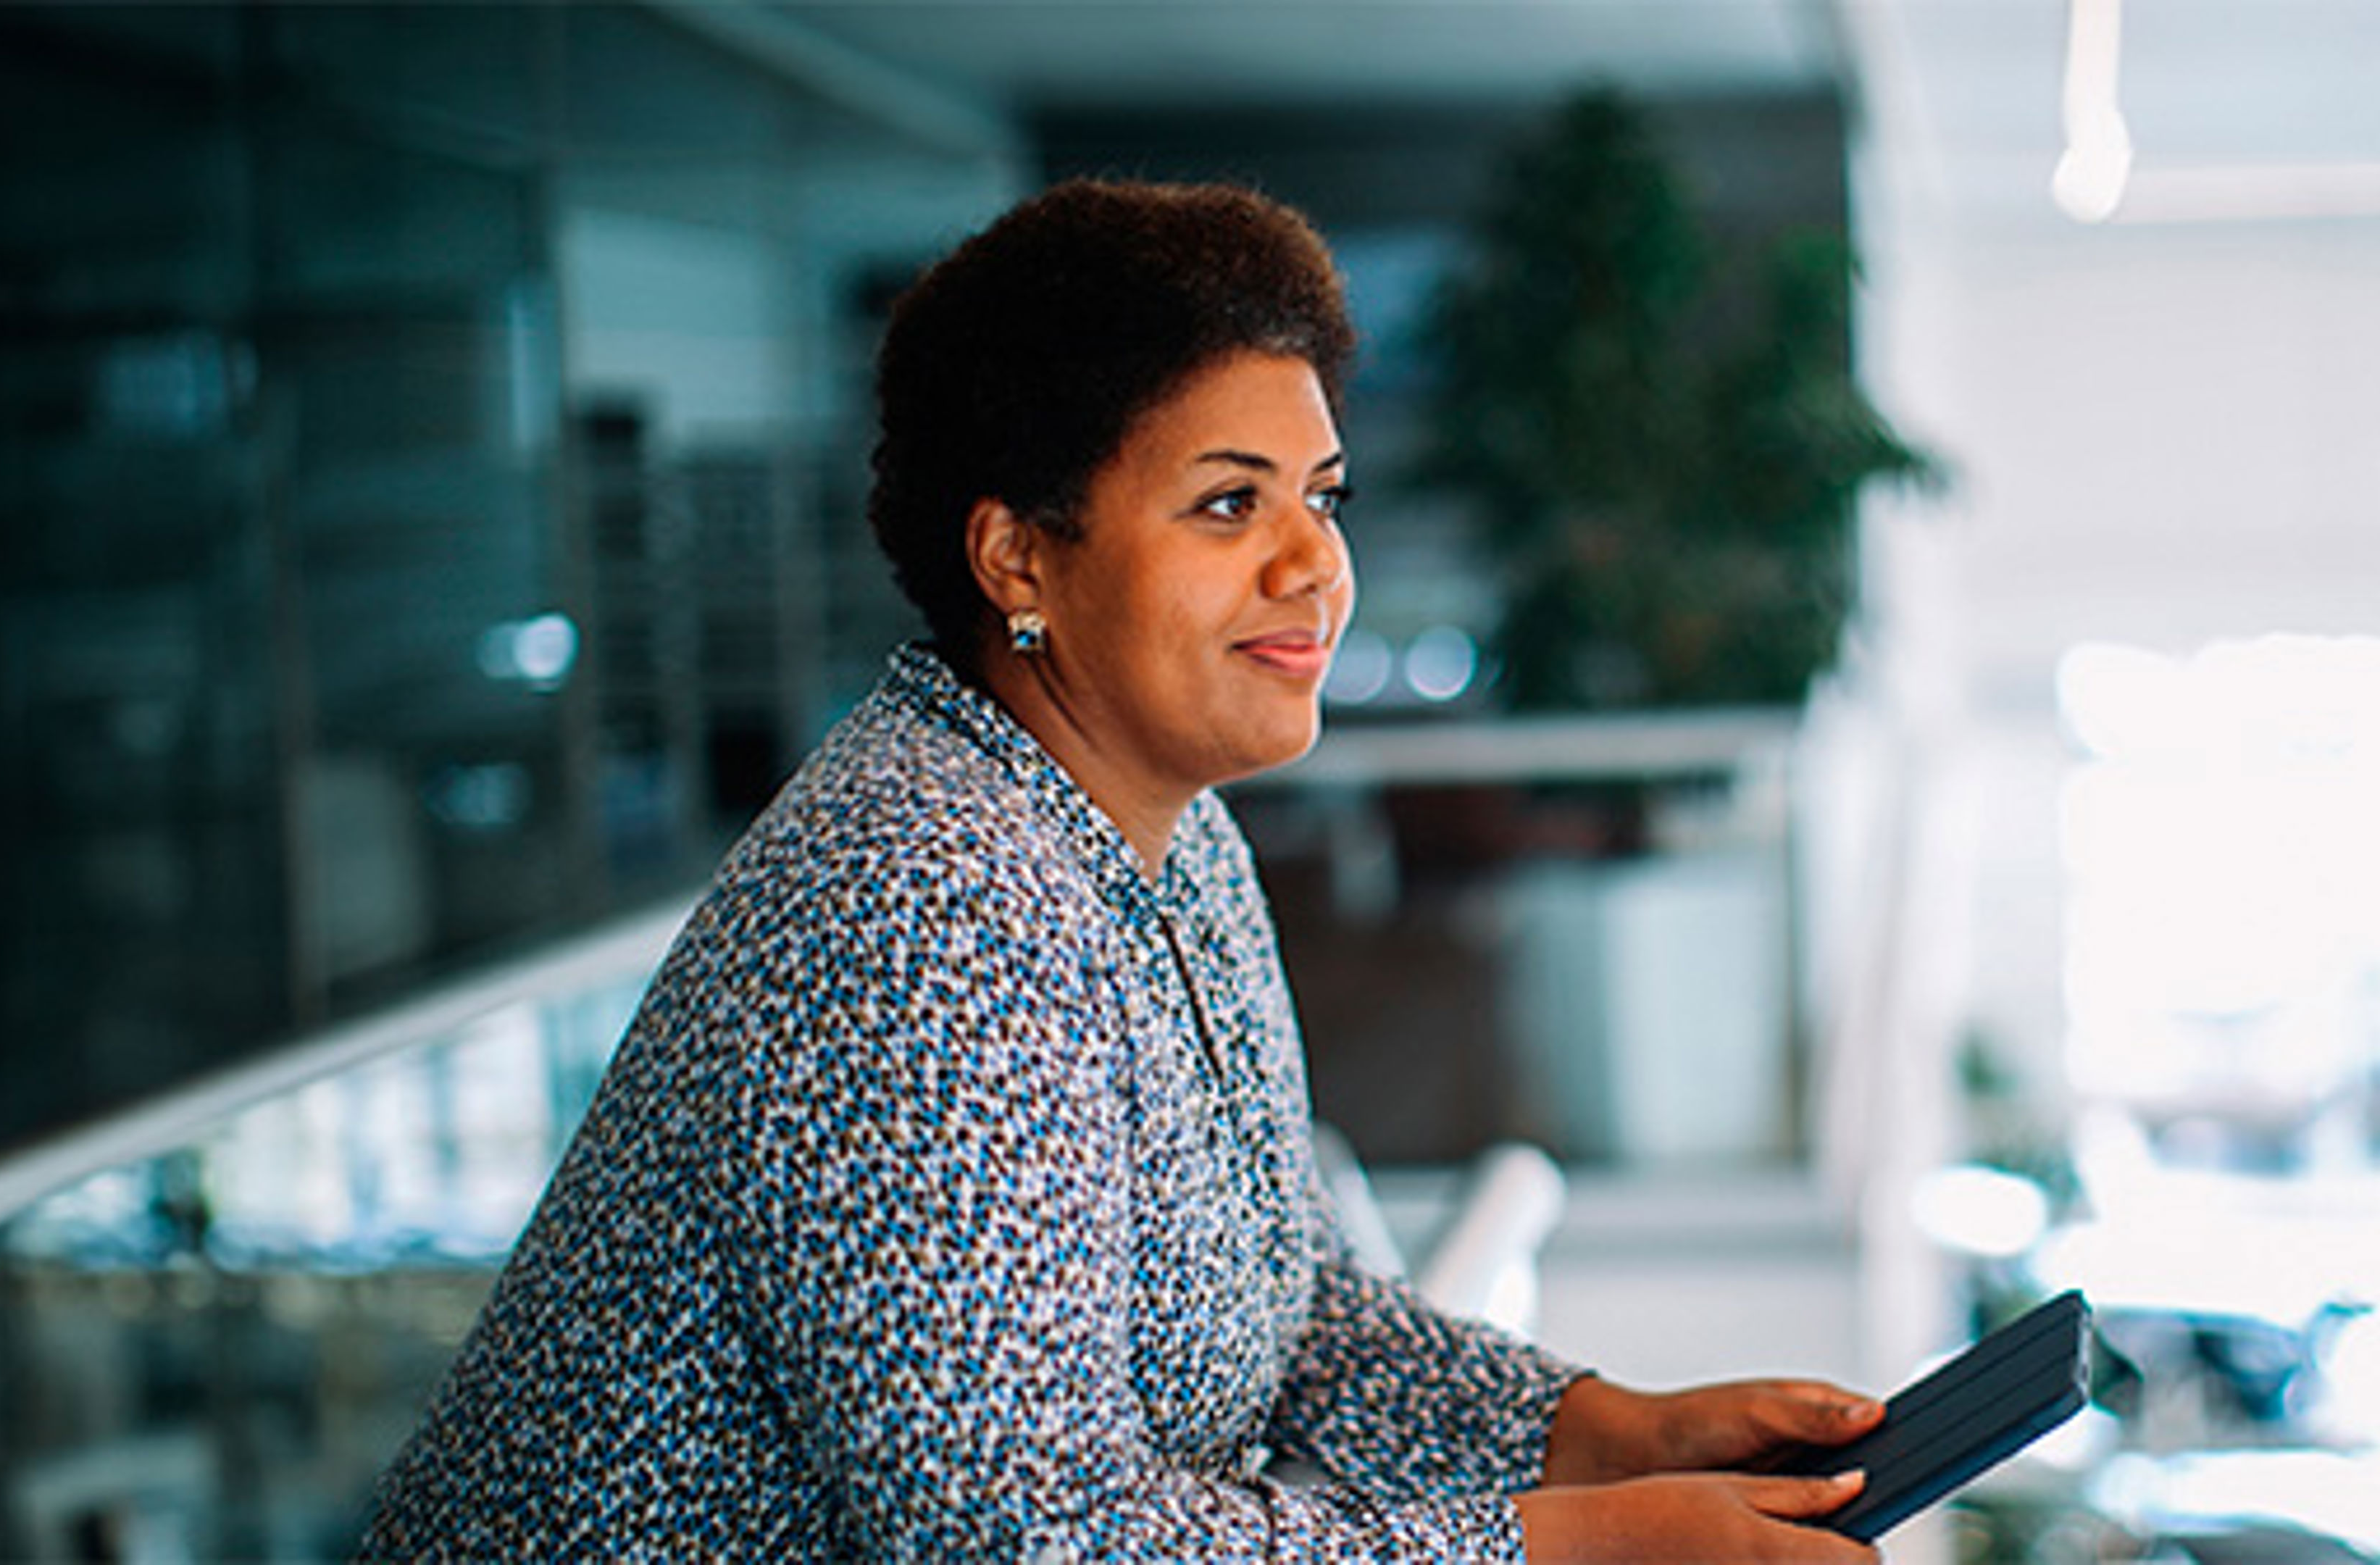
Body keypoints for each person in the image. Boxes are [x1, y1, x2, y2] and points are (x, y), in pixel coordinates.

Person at [361, 180, 1880, 1561]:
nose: (1312, 563)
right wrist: (1572, 1551)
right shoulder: (929, 908)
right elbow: (1033, 1542)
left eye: (1321, 495)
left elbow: (1287, 1311)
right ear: (1018, 557)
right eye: (1229, 503)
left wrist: (1611, 1432)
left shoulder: (1170, 838)